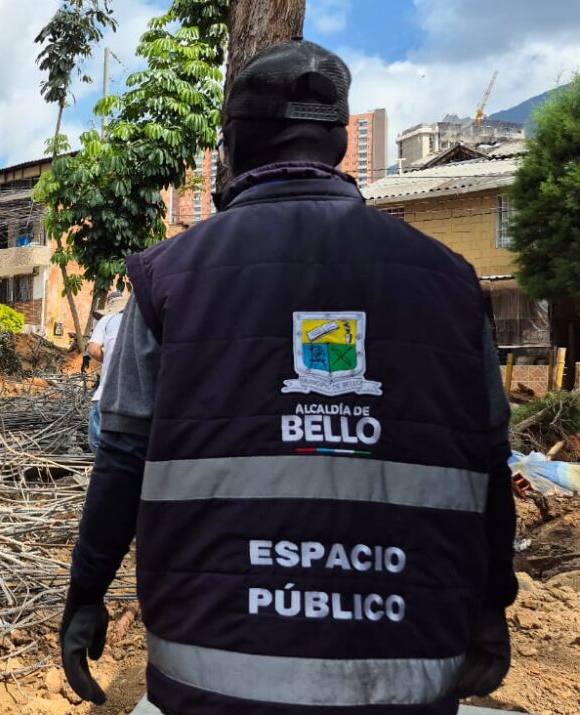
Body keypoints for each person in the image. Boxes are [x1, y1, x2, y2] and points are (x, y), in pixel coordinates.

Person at [61, 39, 517, 715]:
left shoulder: (163, 280)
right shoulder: (452, 284)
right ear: (338, 143)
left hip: (215, 678)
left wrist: (86, 591)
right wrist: (489, 605)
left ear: (234, 145)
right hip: (406, 677)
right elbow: (486, 461)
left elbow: (124, 456)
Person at [86, 291, 127, 455]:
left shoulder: (106, 320)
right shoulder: (143, 322)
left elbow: (93, 349)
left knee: (97, 444)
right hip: (135, 398)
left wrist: (110, 359)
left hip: (105, 395)